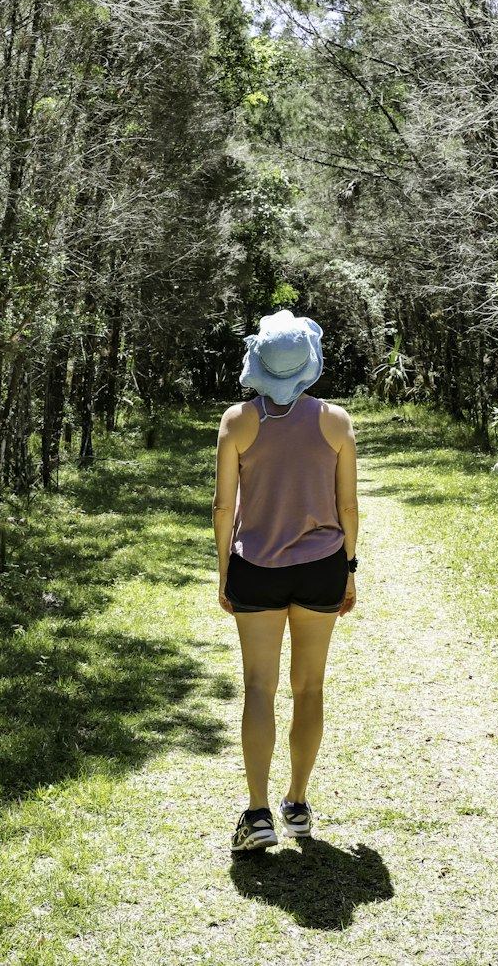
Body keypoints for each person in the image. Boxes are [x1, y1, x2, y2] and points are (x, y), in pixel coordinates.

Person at [213, 308, 358, 852]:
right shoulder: (337, 422)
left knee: (258, 688)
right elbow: (348, 505)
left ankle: (257, 814)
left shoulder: (237, 422)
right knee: (309, 687)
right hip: (322, 566)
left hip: (256, 568)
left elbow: (224, 505)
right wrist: (348, 570)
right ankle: (297, 803)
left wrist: (226, 571)